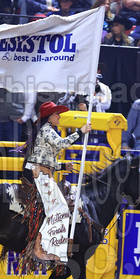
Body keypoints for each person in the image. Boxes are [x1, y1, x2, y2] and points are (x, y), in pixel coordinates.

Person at [22, 101, 91, 263]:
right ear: (50, 116)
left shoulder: (47, 130)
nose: (59, 116)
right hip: (39, 174)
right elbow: (62, 144)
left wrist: (61, 166)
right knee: (59, 207)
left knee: (58, 207)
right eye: (56, 113)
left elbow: (45, 157)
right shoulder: (47, 130)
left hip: (40, 171)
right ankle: (41, 248)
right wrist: (80, 132)